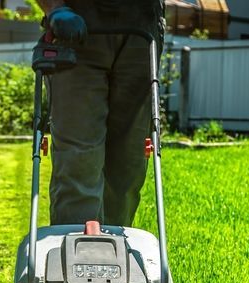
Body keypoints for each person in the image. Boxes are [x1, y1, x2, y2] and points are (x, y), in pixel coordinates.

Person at [37, 1, 165, 227]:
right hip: (77, 27)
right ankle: (76, 252)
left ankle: (115, 254)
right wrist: (55, 8)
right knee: (78, 161)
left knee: (128, 164)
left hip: (141, 26)